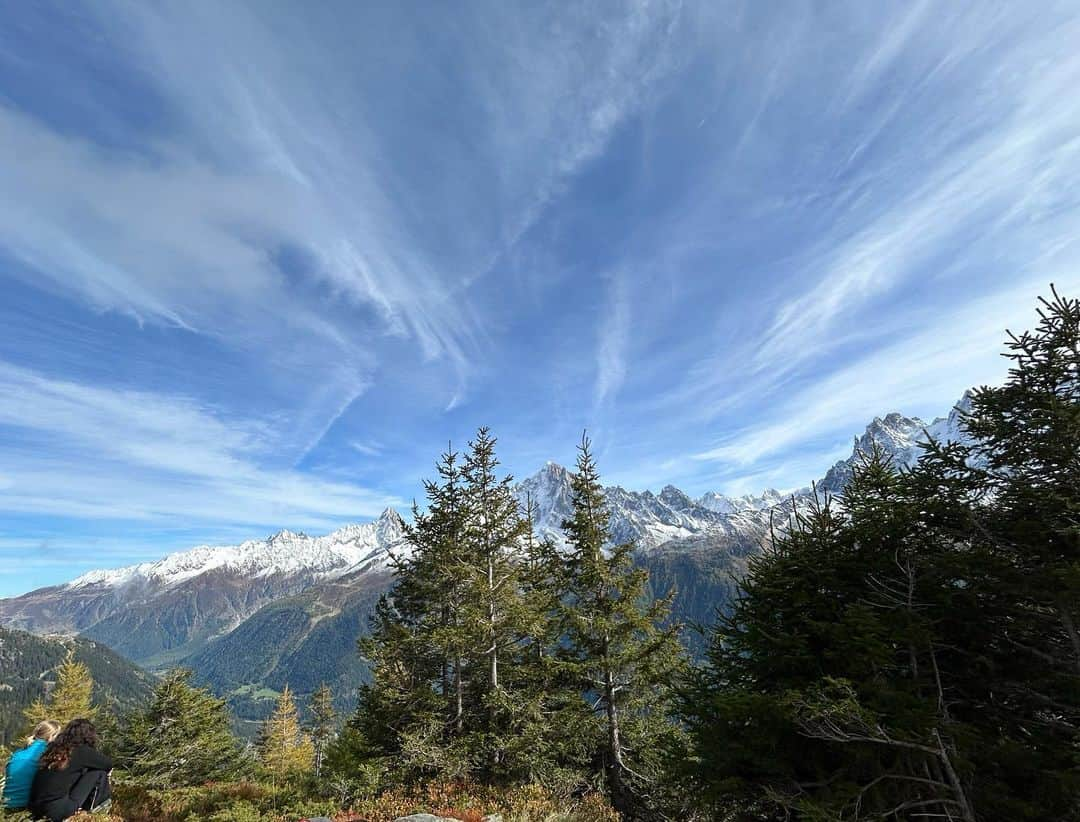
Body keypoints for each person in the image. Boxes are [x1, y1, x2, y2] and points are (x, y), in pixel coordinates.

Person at [28, 718, 112, 821]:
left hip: (36, 809)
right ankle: (95, 814)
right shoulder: (83, 751)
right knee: (99, 773)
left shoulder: (54, 749)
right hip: (57, 811)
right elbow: (108, 764)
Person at [2, 720, 62, 810]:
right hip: (26, 806)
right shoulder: (47, 753)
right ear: (51, 737)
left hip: (6, 805)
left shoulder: (18, 753)